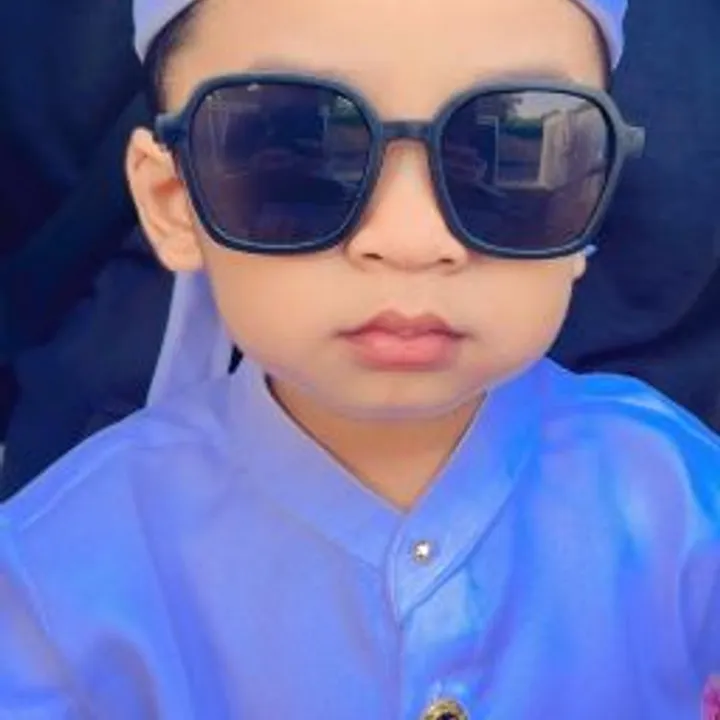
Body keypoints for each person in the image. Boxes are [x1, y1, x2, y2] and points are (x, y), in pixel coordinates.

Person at [0, 0, 718, 717]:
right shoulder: (58, 575)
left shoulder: (680, 498)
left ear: (590, 193)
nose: (411, 241)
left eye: (504, 162)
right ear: (173, 202)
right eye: (304, 155)